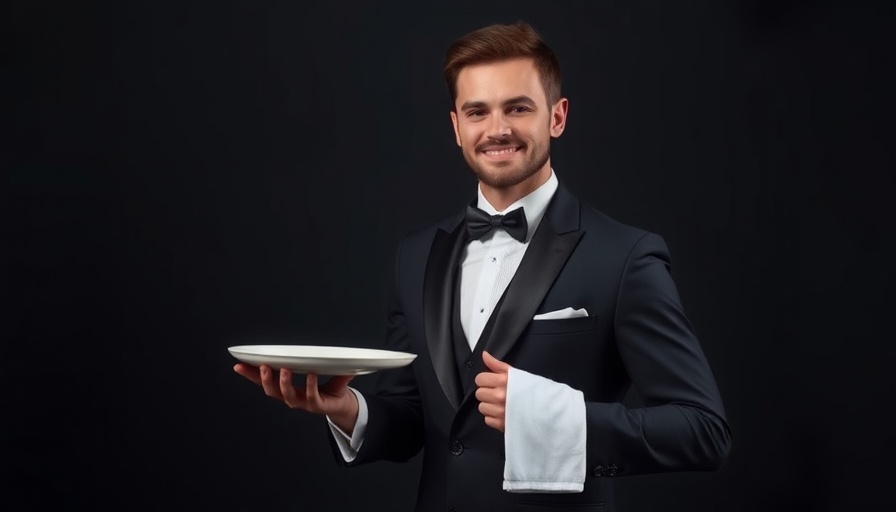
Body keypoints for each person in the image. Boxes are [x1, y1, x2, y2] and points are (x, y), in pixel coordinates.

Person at [234, 20, 731, 512]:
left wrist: (552, 418)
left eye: (518, 108)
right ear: (456, 126)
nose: (497, 130)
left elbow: (703, 431)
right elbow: (414, 420)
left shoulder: (625, 256)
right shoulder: (416, 253)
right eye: (478, 111)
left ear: (557, 117)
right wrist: (344, 410)